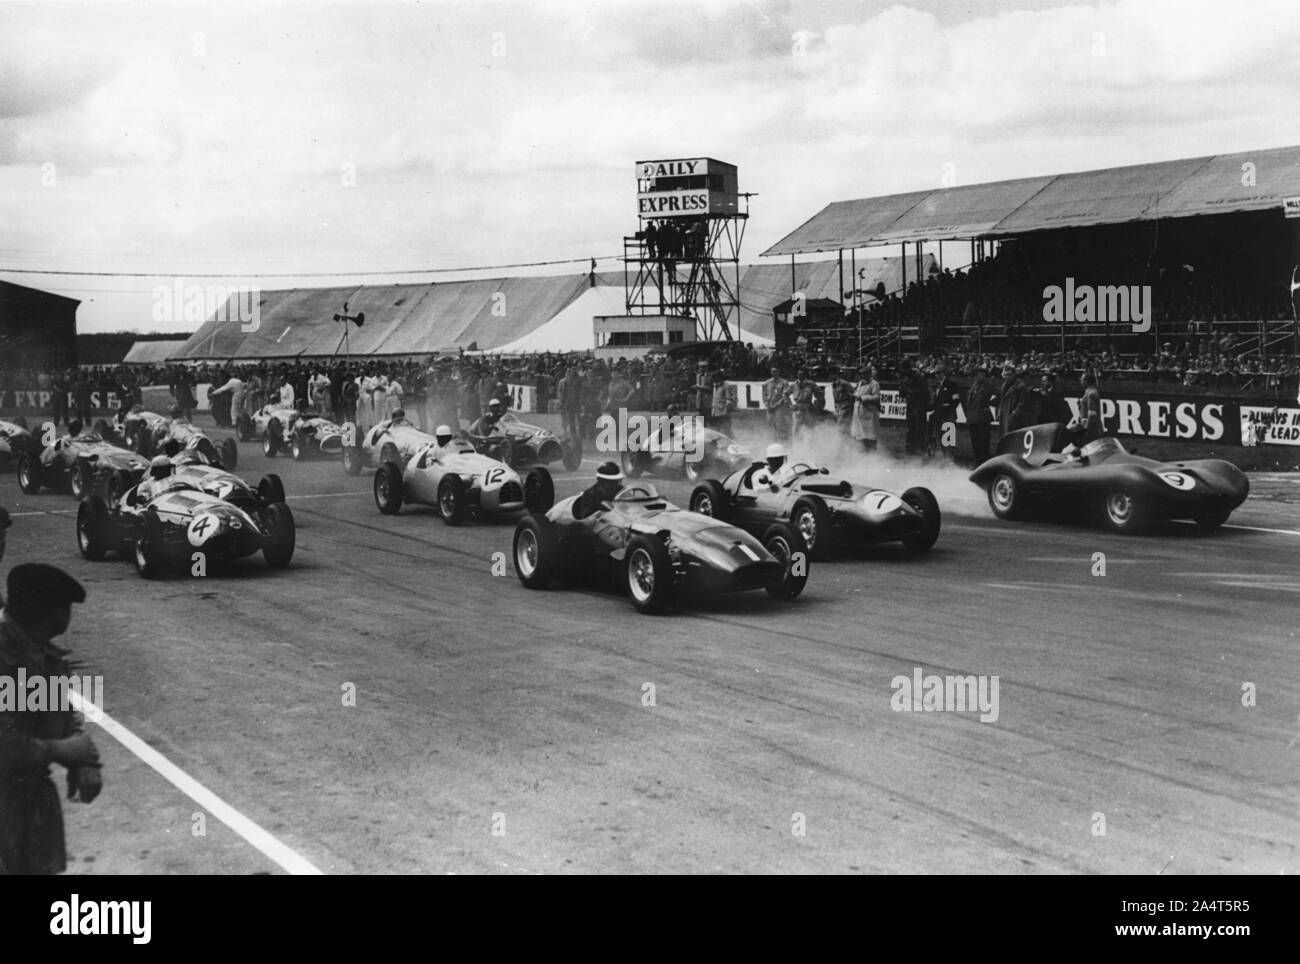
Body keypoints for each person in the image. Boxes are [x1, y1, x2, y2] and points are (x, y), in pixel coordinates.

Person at [0, 564, 101, 875]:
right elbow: (7, 748)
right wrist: (66, 752)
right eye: (65, 606)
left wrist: (83, 761)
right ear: (48, 612)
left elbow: (62, 713)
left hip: (30, 802)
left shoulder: (42, 655)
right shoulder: (6, 660)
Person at [965, 366, 996, 464]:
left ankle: (984, 464)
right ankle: (977, 462)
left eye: (978, 375)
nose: (976, 377)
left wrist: (991, 402)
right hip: (973, 418)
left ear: (983, 375)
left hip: (983, 418)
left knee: (983, 443)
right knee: (975, 443)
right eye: (975, 375)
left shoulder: (988, 386)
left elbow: (997, 396)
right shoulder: (974, 386)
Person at [851, 365, 881, 453]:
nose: (863, 376)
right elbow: (856, 393)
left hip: (869, 412)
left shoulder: (874, 384)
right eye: (862, 374)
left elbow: (876, 397)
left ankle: (871, 452)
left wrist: (864, 398)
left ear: (869, 374)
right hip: (858, 411)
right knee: (859, 434)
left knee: (870, 434)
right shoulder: (860, 383)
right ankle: (861, 451)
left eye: (865, 374)